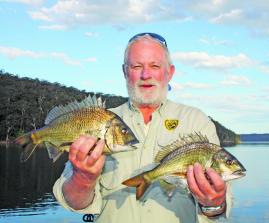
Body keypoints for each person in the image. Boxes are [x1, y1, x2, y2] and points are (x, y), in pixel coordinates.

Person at [53, 33, 232, 223]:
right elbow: (73, 202)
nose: (146, 75)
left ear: (169, 72)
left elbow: (217, 210)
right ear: (124, 72)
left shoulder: (197, 121)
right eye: (137, 66)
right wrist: (83, 179)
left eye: (155, 66)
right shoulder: (98, 122)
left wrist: (214, 202)